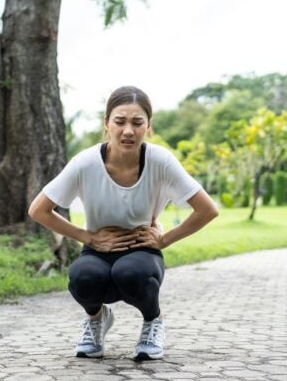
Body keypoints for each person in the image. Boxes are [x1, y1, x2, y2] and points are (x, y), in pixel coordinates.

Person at [28, 85, 219, 360]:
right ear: (106, 123)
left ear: (149, 126)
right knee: (83, 277)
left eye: (137, 122)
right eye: (120, 121)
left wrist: (164, 239)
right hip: (98, 249)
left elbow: (207, 209)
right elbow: (39, 210)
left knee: (130, 273)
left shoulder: (161, 161)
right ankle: (97, 319)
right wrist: (88, 238)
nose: (128, 131)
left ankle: (153, 321)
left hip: (142, 251)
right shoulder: (85, 163)